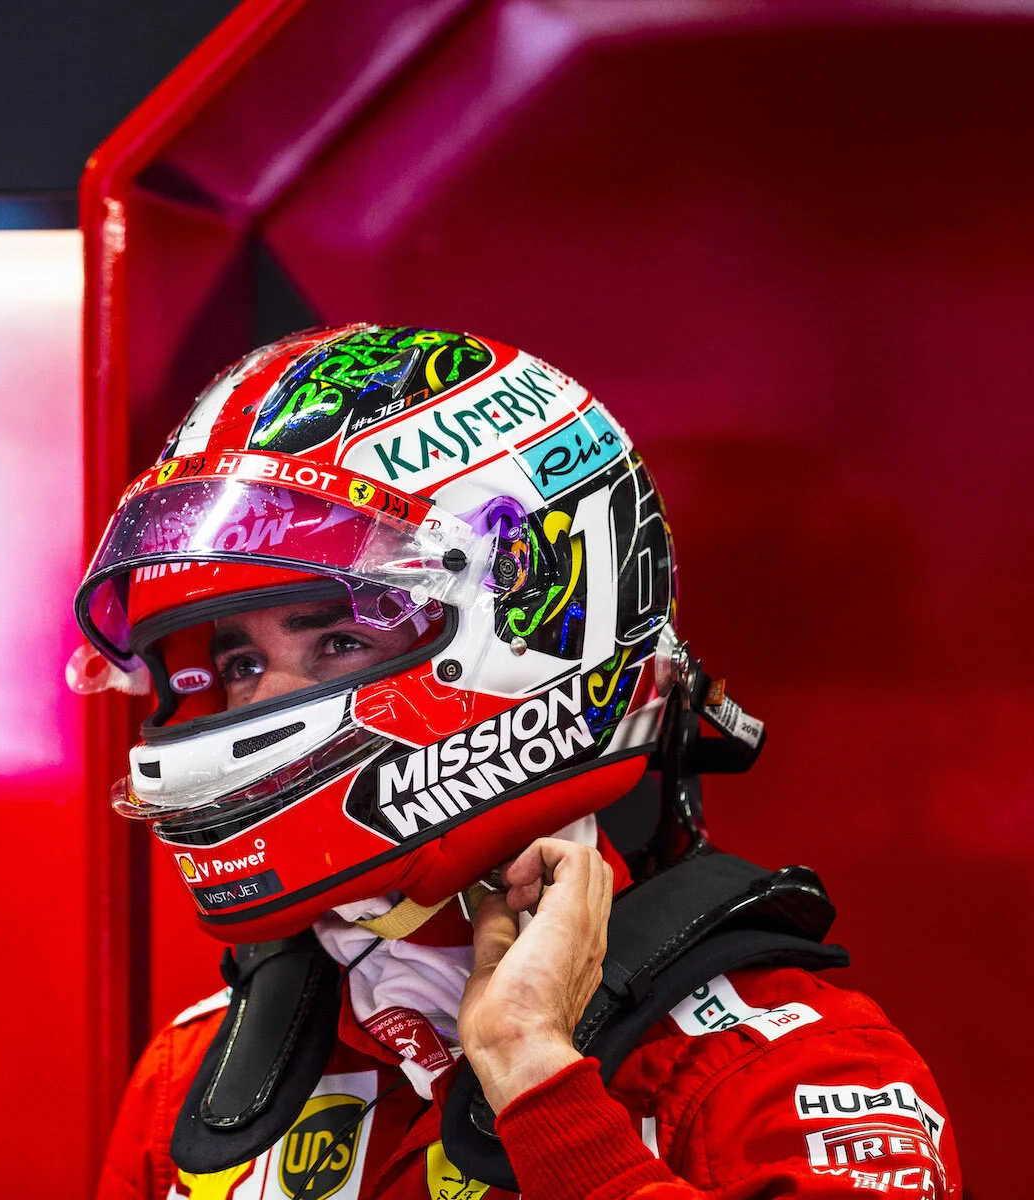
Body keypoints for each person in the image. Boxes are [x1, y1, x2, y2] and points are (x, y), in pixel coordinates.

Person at [75, 327, 959, 1199]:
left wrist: (539, 1083)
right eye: (239, 663)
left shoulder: (787, 1065)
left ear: (534, 627)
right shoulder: (193, 1076)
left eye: (339, 639)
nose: (263, 699)